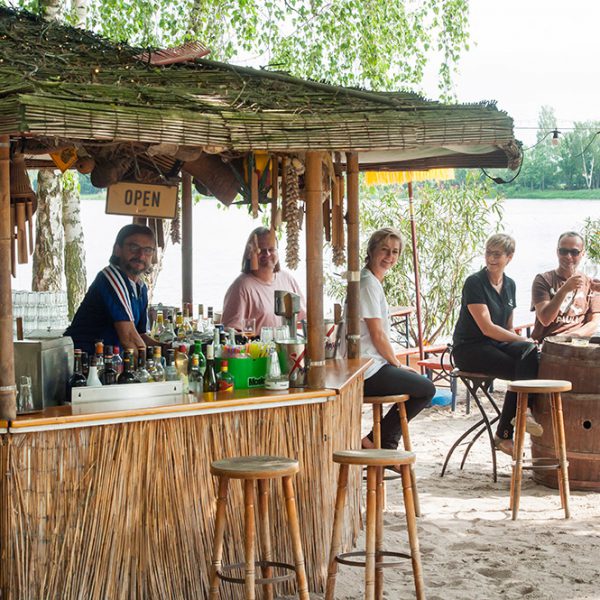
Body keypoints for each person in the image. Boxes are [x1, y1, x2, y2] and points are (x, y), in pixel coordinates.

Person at [452, 234, 540, 456]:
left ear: (509, 257)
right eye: (488, 253)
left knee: (531, 355)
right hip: (469, 348)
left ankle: (520, 415)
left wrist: (526, 343)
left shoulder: (510, 284)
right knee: (524, 370)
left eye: (497, 254)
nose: (491, 258)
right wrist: (523, 339)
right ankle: (507, 429)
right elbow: (487, 328)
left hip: (496, 345)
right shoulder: (474, 282)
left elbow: (508, 329)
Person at [360, 228, 435, 453]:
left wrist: (394, 365)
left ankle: (379, 441)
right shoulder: (367, 284)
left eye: (395, 252)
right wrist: (398, 364)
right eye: (384, 250)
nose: (389, 257)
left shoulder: (373, 281)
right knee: (426, 388)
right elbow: (377, 335)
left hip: (374, 364)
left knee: (421, 386)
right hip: (366, 370)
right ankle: (380, 441)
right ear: (372, 251)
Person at [64, 224, 159, 355]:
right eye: (134, 247)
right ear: (117, 249)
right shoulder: (111, 277)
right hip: (84, 363)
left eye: (148, 250)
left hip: (111, 362)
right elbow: (129, 339)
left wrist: (171, 349)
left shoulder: (140, 287)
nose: (141, 255)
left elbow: (140, 335)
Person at [221, 226, 306, 333]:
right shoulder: (241, 286)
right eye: (260, 250)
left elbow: (303, 318)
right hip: (257, 348)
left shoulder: (287, 279)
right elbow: (230, 331)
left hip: (286, 348)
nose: (267, 254)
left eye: (271, 249)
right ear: (249, 253)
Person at [531, 231, 600, 342]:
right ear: (557, 252)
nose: (568, 256)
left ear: (582, 253)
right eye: (563, 251)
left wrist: (570, 336)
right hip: (547, 344)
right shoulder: (543, 280)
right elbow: (545, 319)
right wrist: (564, 290)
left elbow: (594, 322)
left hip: (576, 343)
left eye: (574, 252)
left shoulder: (590, 283)